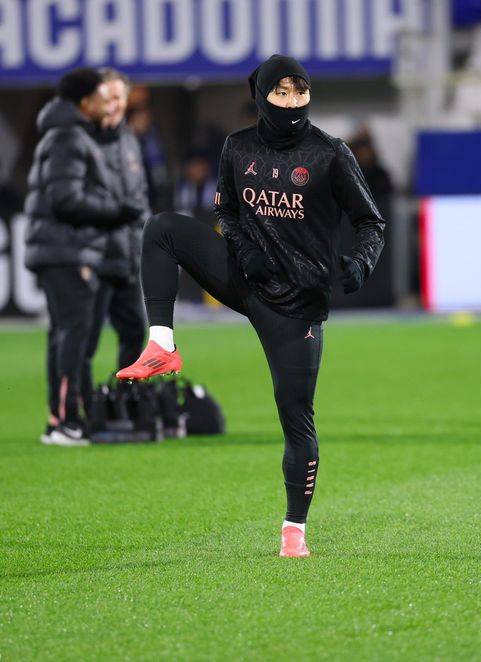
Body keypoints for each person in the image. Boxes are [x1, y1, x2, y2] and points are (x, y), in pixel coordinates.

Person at [116, 55, 385, 557]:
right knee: (162, 229)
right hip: (247, 279)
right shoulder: (237, 147)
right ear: (262, 96)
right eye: (281, 92)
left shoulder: (330, 153)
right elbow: (228, 212)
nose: (292, 102)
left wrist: (362, 263)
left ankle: (294, 530)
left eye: (300, 92)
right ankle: (161, 344)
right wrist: (246, 253)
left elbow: (371, 222)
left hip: (297, 305)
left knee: (296, 418)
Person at [24, 67, 144, 446]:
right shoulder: (69, 136)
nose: (107, 105)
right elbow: (66, 199)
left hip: (69, 248)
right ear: (85, 101)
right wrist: (117, 211)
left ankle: (63, 419)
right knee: (74, 336)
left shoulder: (70, 133)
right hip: (68, 250)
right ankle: (65, 421)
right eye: (101, 97)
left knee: (67, 335)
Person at [80, 68, 150, 415]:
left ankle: (125, 406)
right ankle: (79, 411)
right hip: (93, 257)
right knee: (84, 341)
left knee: (135, 333)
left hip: (126, 257)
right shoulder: (78, 140)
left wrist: (144, 245)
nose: (114, 104)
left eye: (119, 96)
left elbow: (140, 198)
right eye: (107, 97)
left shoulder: (128, 139)